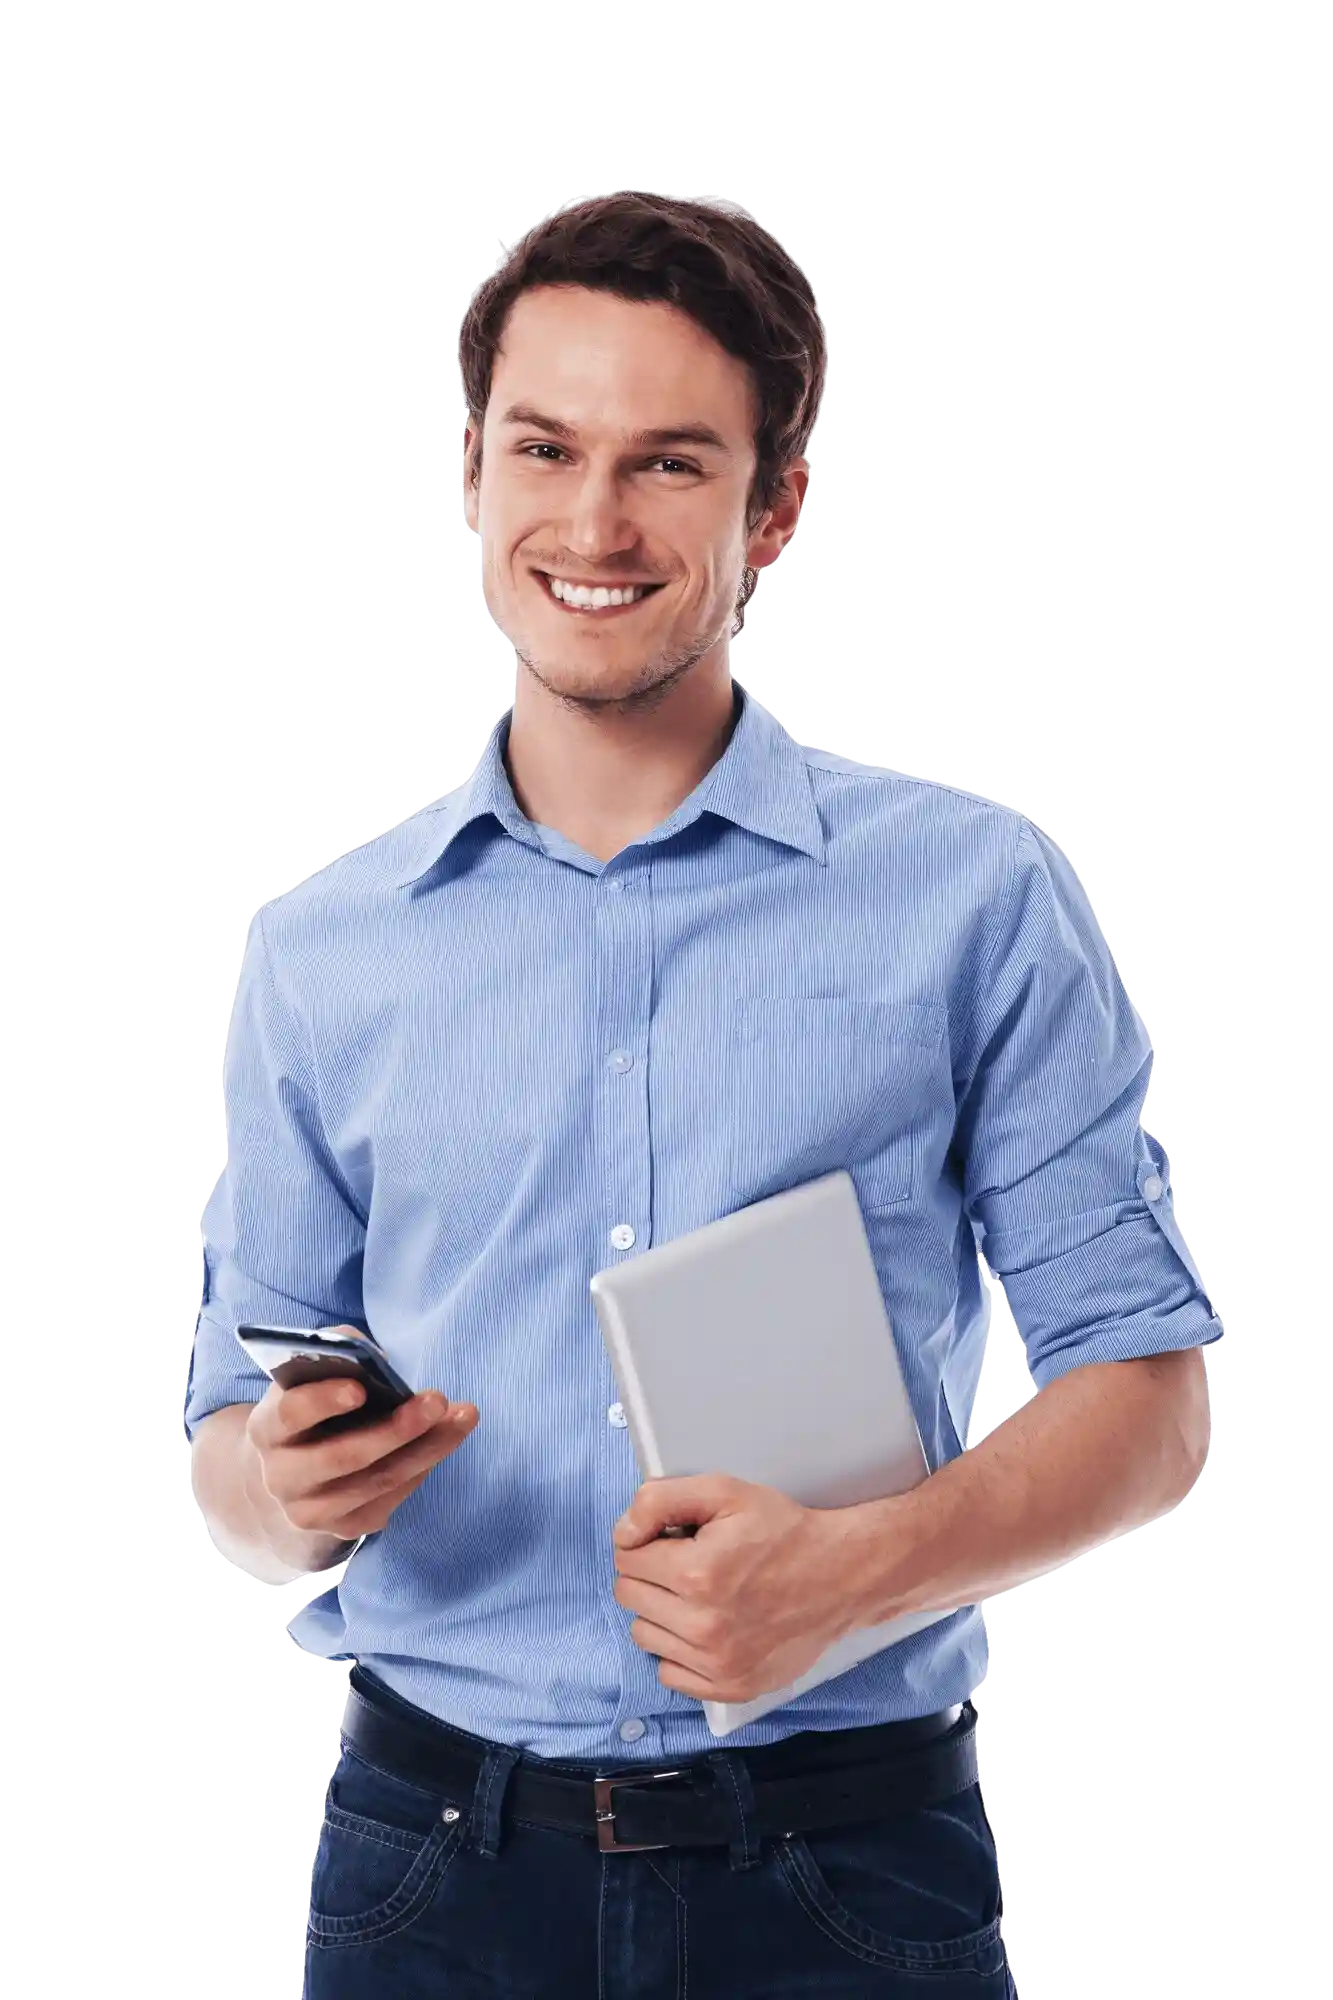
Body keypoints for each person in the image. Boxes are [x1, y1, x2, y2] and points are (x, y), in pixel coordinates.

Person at [186, 190, 1222, 1998]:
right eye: (546, 449)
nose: (594, 523)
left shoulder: (976, 890)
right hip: (426, 1872)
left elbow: (1147, 1400)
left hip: (845, 1866)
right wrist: (295, 1491)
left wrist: (864, 1572)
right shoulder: (318, 947)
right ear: (470, 477)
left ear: (776, 511)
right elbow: (224, 1473)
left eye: (671, 463)